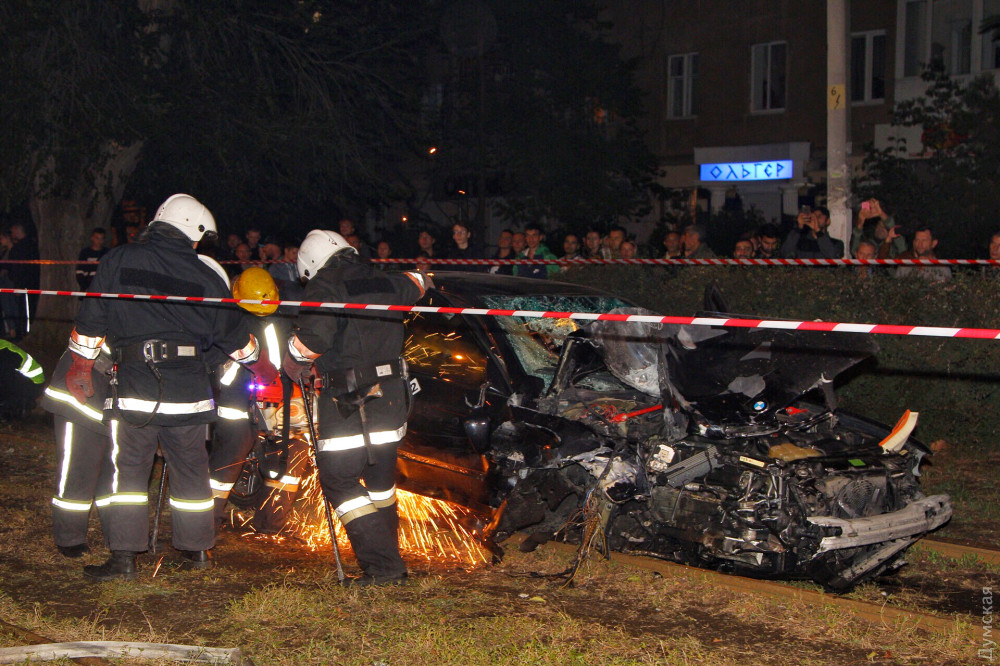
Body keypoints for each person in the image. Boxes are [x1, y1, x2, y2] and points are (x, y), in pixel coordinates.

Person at [65, 193, 278, 581]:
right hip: (191, 392)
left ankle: (124, 559)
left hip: (135, 386)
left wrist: (80, 368)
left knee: (129, 471)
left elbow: (92, 320)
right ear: (192, 233)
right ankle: (197, 552)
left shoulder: (118, 259)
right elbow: (232, 336)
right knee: (192, 470)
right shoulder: (207, 275)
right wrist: (263, 366)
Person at [282, 229, 429, 586]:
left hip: (348, 400)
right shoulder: (384, 279)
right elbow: (419, 283)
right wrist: (423, 277)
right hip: (392, 397)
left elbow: (313, 340)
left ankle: (384, 567)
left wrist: (293, 356)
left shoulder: (325, 285)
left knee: (339, 480)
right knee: (379, 481)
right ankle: (389, 555)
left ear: (311, 264)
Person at [206, 267, 297, 533]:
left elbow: (213, 361)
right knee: (279, 459)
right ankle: (271, 523)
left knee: (225, 465)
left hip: (235, 400)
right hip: (275, 399)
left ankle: (205, 526)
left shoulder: (230, 322)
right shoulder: (286, 320)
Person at [41, 347, 113, 558]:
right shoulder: (115, 314)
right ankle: (69, 538)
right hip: (81, 392)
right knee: (79, 466)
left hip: (115, 397)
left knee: (115, 472)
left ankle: (119, 534)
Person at [6, 221, 40, 340]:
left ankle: (24, 333)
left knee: (25, 309)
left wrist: (19, 285)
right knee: (22, 309)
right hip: (26, 283)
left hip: (24, 284)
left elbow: (19, 268)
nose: (12, 233)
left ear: (18, 230)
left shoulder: (23, 247)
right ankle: (22, 332)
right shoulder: (30, 244)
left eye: (13, 231)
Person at [0, 337, 44, 422]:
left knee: (4, 384)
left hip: (32, 384)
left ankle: (16, 408)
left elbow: (5, 380)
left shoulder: (4, 352)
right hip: (23, 381)